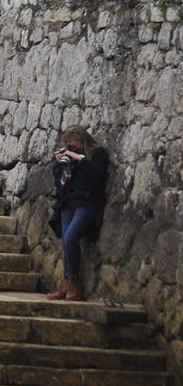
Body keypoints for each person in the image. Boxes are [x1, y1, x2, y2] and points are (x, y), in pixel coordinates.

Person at [47, 126, 109, 302]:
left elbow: (97, 176)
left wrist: (80, 159)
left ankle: (74, 284)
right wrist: (58, 163)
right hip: (68, 203)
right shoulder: (71, 157)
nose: (70, 147)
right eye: (67, 145)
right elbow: (60, 182)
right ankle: (66, 284)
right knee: (67, 242)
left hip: (88, 203)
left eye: (72, 144)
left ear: (82, 140)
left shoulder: (97, 154)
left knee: (70, 237)